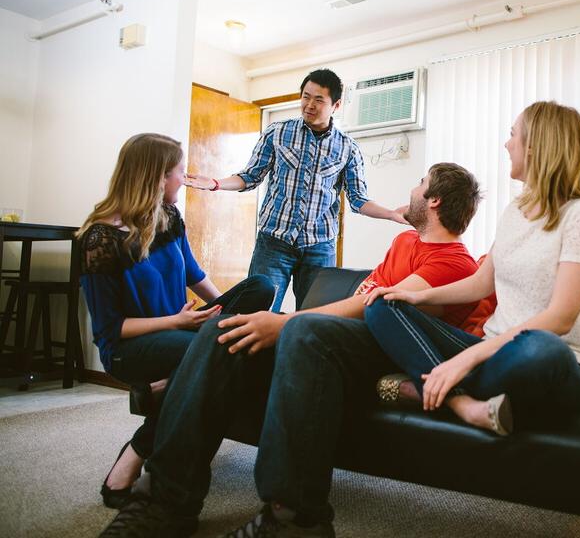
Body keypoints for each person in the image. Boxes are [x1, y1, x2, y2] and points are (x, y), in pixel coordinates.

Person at [97, 162, 482, 537]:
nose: (413, 190)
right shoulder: (404, 242)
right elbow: (360, 298)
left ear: (434, 201)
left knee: (298, 329)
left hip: (379, 353)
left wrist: (287, 324)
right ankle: (164, 502)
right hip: (336, 338)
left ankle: (292, 519)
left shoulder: (455, 263)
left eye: (421, 182)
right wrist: (284, 323)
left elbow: (378, 307)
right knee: (226, 329)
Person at [363, 101, 580, 436]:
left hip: (562, 362)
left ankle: (425, 383)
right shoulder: (516, 210)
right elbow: (482, 283)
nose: (507, 144)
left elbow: (560, 318)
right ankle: (461, 403)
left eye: (513, 135)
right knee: (383, 304)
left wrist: (466, 359)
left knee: (541, 346)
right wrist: (412, 297)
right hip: (494, 350)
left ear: (538, 145)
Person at [77, 133, 275, 510]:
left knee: (260, 289)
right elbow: (110, 330)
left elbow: (194, 275)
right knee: (223, 353)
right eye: (178, 173)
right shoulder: (99, 238)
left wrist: (225, 315)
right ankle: (139, 449)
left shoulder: (168, 218)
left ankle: (170, 385)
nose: (183, 180)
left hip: (184, 327)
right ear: (155, 177)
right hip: (131, 347)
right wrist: (176, 322)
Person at [186, 68, 408, 312]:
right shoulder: (277, 132)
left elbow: (358, 200)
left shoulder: (348, 148)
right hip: (274, 242)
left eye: (318, 99)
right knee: (258, 312)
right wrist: (216, 183)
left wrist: (390, 214)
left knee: (314, 319)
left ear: (336, 105)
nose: (309, 105)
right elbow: (250, 177)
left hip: (319, 247)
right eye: (305, 96)